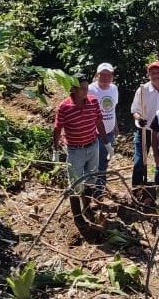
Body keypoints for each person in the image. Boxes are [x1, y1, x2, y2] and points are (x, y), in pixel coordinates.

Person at [52, 74, 113, 230]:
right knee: (74, 184)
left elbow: (99, 122)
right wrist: (56, 150)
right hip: (75, 151)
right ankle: (77, 216)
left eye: (86, 87)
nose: (85, 91)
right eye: (82, 88)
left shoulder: (93, 102)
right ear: (72, 89)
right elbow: (57, 128)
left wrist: (106, 143)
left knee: (91, 179)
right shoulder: (64, 107)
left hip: (93, 146)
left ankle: (87, 208)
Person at [130, 61, 159, 186]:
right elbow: (134, 110)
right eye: (152, 73)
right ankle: (137, 187)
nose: (155, 75)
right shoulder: (142, 90)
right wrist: (139, 118)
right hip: (144, 130)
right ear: (148, 75)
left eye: (158, 72)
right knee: (139, 161)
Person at [88, 63, 119, 199]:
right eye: (103, 74)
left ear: (112, 76)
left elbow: (112, 109)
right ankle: (92, 190)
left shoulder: (113, 89)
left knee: (104, 162)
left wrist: (115, 125)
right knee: (93, 162)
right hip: (93, 132)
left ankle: (99, 190)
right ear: (97, 75)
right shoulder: (90, 89)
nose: (106, 77)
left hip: (109, 131)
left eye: (109, 75)